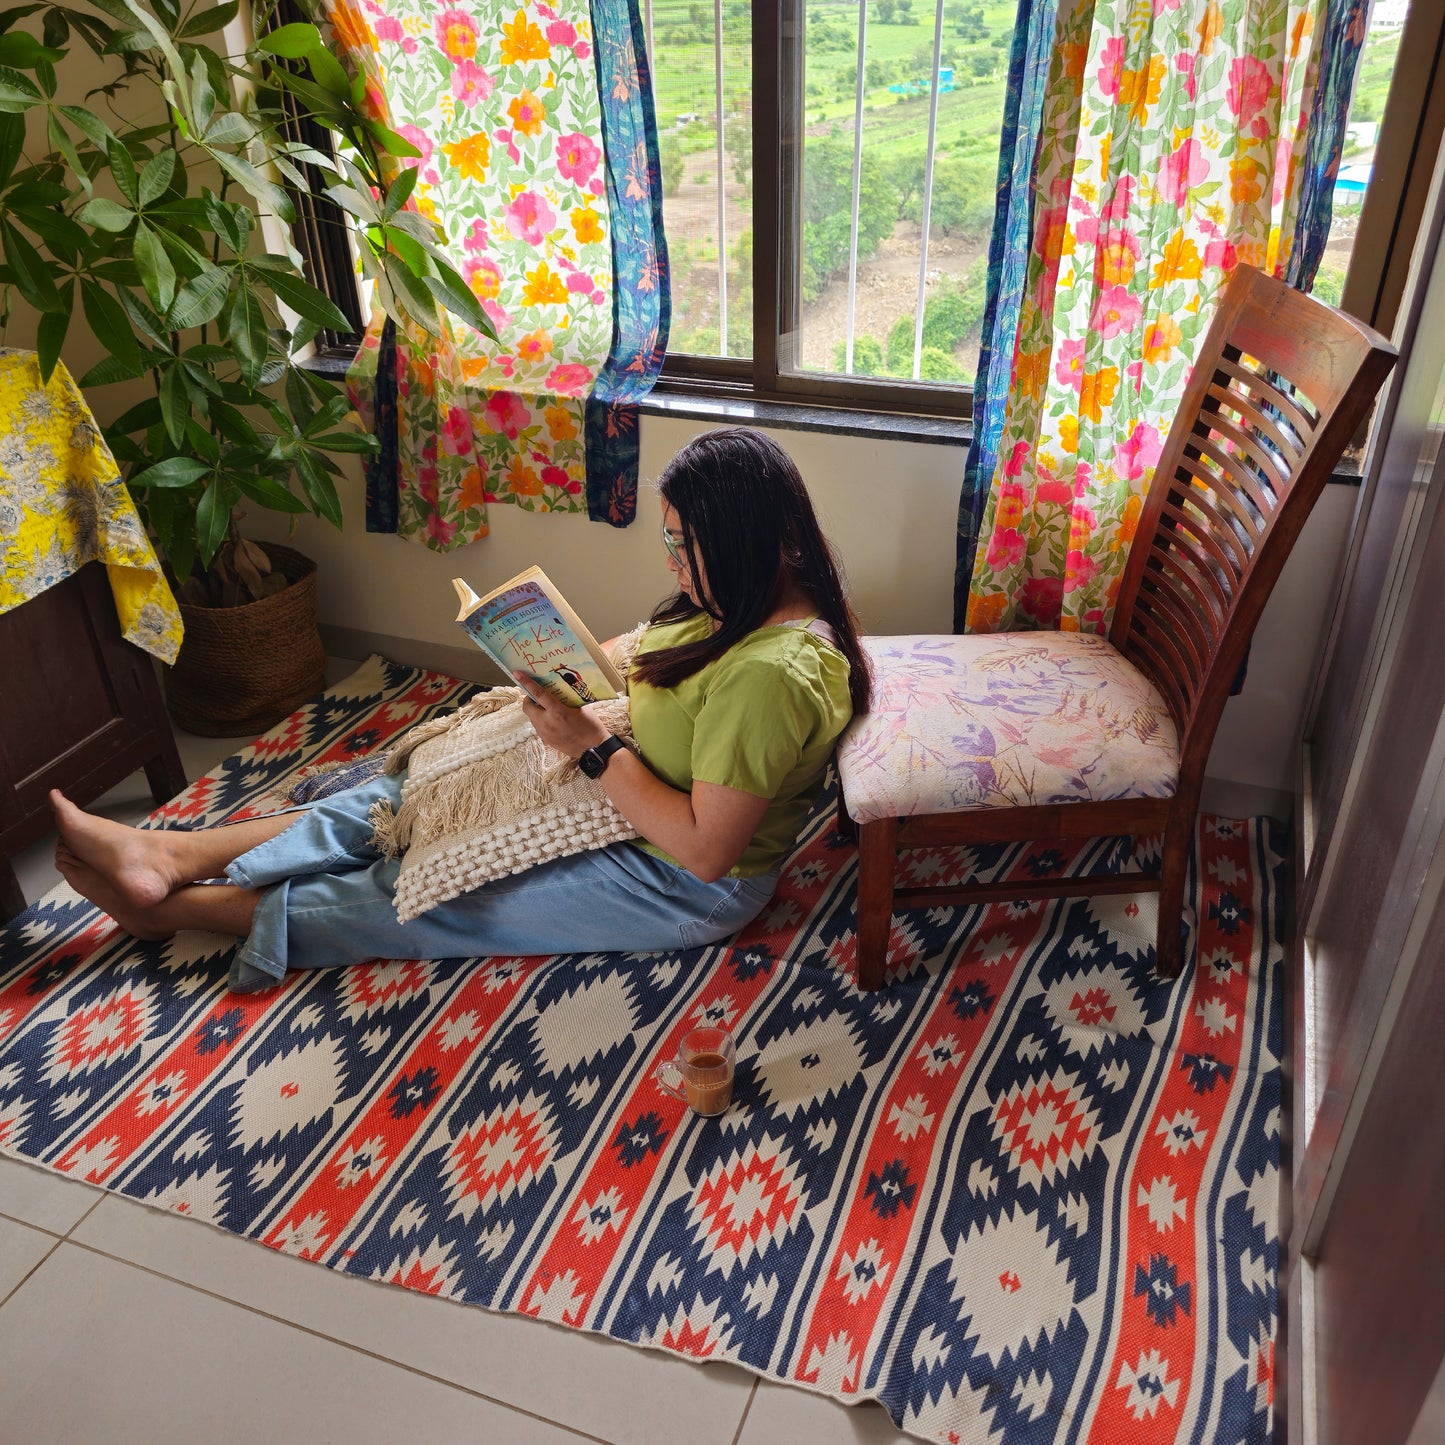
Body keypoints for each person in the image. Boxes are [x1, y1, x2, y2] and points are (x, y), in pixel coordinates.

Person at [49, 427, 873, 992]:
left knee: (432, 892)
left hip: (678, 878)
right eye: (668, 542)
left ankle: (171, 911)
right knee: (414, 803)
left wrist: (589, 745)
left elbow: (702, 849)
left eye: (685, 547)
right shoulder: (742, 592)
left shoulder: (772, 676)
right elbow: (657, 658)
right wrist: (577, 664)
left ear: (754, 542)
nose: (674, 563)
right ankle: (169, 853)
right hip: (634, 781)